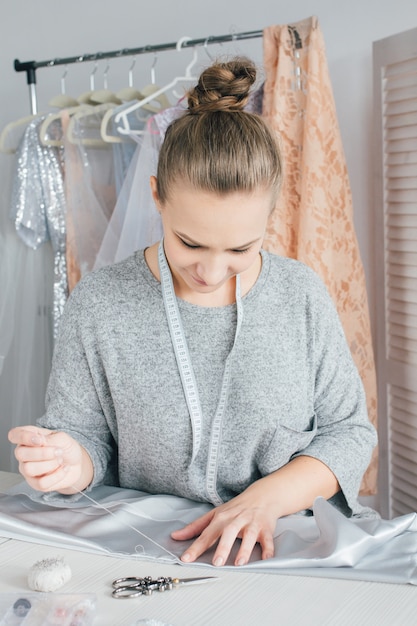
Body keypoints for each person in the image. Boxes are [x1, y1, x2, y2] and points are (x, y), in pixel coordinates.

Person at [8, 57, 377, 568]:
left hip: (285, 539)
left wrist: (262, 501)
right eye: (190, 242)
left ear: (269, 219)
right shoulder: (99, 303)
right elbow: (84, 435)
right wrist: (73, 464)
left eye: (240, 249)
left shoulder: (300, 295)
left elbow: (350, 432)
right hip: (152, 550)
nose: (211, 270)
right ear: (157, 195)